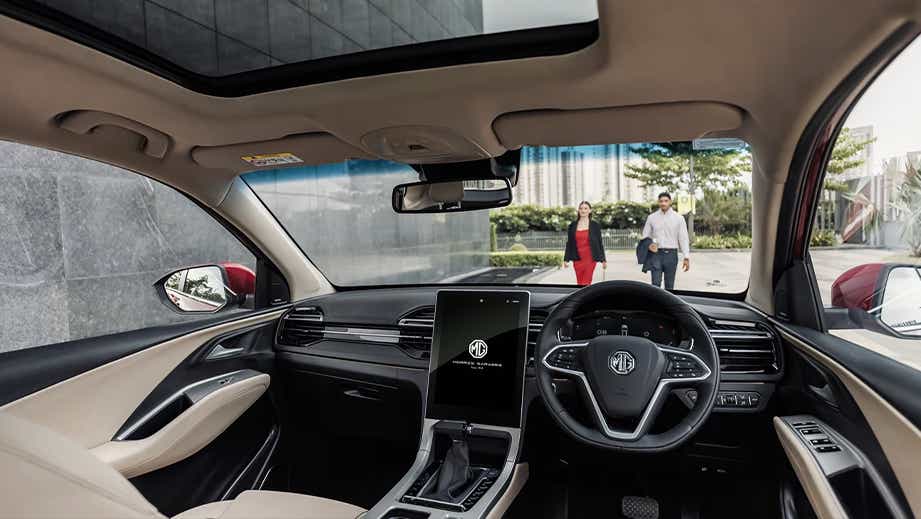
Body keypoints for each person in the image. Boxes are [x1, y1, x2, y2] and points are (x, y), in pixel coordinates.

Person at [642, 192, 690, 289]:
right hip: (656, 255)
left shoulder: (679, 218)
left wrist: (686, 256)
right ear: (658, 202)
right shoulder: (652, 218)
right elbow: (645, 236)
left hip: (671, 255)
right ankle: (656, 304)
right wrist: (649, 244)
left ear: (670, 202)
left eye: (666, 201)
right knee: (655, 284)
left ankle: (668, 304)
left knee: (669, 285)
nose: (663, 203)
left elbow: (683, 238)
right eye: (661, 201)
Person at [563, 201, 607, 286]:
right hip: (577, 258)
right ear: (578, 210)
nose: (583, 210)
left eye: (586, 208)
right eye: (581, 208)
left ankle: (584, 298)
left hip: (590, 258)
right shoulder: (572, 225)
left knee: (586, 282)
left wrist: (603, 260)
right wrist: (566, 259)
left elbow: (599, 243)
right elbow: (569, 243)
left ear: (590, 210)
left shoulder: (595, 225)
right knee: (579, 282)